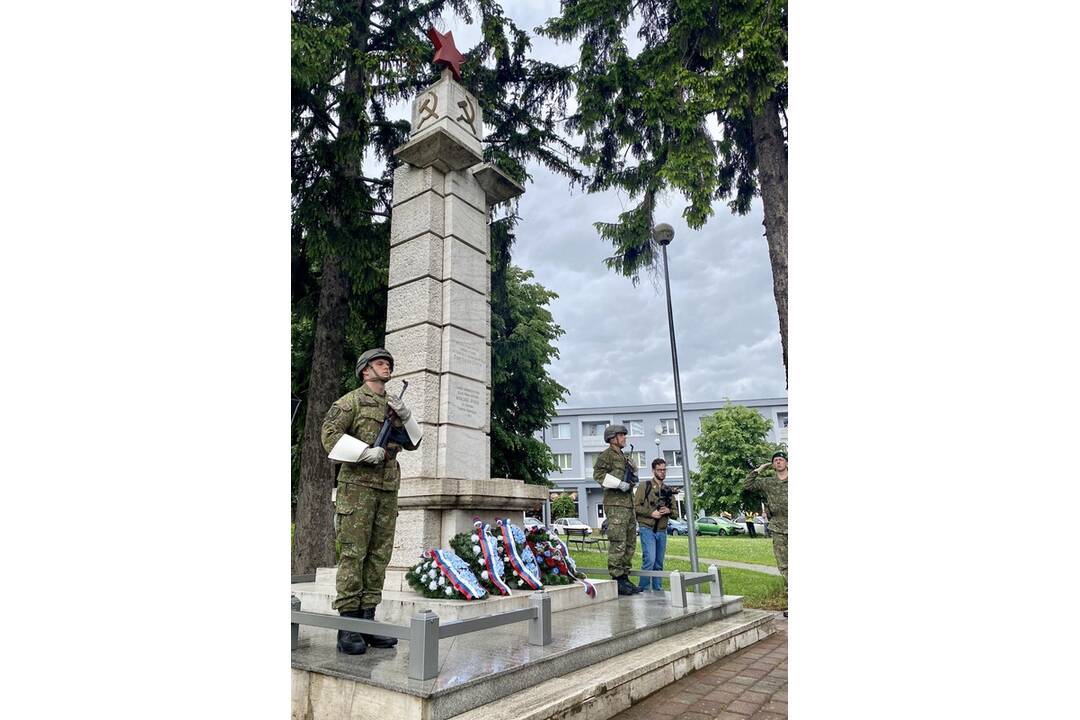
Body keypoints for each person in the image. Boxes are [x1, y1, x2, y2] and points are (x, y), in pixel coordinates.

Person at [321, 347, 422, 654]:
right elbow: (329, 434)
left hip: (387, 487)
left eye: (389, 363)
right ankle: (349, 626)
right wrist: (364, 452)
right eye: (380, 363)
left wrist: (406, 417)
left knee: (379, 555)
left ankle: (368, 621)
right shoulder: (350, 401)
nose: (386, 366)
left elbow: (414, 442)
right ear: (365, 371)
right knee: (354, 554)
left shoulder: (393, 404)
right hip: (357, 487)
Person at [592, 424, 641, 595]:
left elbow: (632, 480)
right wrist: (619, 484)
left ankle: (625, 577)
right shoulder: (606, 456)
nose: (625, 438)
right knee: (618, 541)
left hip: (628, 504)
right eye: (622, 435)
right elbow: (598, 475)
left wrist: (633, 476)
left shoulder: (624, 457)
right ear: (613, 438)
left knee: (630, 542)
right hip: (615, 505)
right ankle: (617, 578)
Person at [745, 450, 788, 586]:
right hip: (778, 526)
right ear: (773, 465)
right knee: (783, 561)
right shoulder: (768, 482)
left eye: (781, 459)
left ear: (787, 463)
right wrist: (758, 470)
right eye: (775, 460)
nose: (779, 462)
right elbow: (747, 485)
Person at [634, 458, 674, 591]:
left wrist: (668, 511)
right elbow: (635, 507)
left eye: (664, 470)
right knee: (649, 560)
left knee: (658, 563)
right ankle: (643, 588)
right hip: (647, 528)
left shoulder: (667, 490)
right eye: (659, 470)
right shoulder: (644, 486)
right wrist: (651, 513)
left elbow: (675, 513)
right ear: (653, 470)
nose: (662, 472)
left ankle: (658, 589)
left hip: (662, 530)